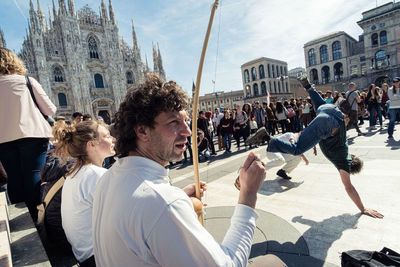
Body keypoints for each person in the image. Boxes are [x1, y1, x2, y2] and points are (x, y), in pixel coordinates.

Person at [92, 74, 285, 266]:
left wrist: (179, 198)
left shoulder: (107, 179)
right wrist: (248, 193)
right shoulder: (162, 203)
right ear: (142, 131)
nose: (188, 131)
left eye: (185, 121)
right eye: (174, 122)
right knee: (273, 262)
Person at [247, 75, 383, 218]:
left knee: (321, 105)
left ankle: (308, 86)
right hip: (327, 123)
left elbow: (320, 136)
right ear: (351, 167)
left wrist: (312, 143)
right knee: (297, 149)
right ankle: (268, 138)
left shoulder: (344, 147)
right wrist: (363, 208)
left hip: (331, 110)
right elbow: (349, 188)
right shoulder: (343, 161)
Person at [0, 47, 56, 220]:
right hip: (32, 135)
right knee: (33, 174)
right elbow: (50, 109)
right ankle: (37, 215)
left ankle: (21, 217)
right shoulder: (26, 81)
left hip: (3, 139)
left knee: (14, 177)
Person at [53, 120, 116, 266]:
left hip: (84, 256)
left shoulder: (75, 173)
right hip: (99, 258)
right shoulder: (96, 175)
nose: (113, 139)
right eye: (106, 136)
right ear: (91, 144)